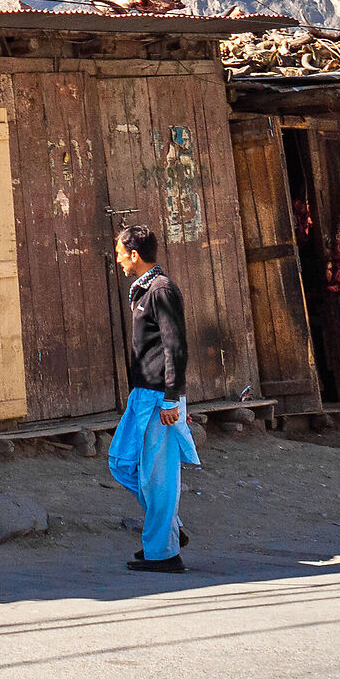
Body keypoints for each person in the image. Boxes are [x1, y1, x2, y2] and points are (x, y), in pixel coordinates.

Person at [109, 223, 199, 574]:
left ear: (134, 254)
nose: (118, 260)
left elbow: (175, 346)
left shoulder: (161, 290)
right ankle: (169, 529)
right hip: (144, 395)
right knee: (122, 463)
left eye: (120, 253)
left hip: (159, 397)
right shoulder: (144, 290)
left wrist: (172, 400)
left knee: (158, 477)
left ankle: (164, 553)